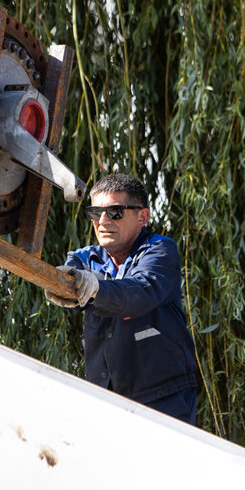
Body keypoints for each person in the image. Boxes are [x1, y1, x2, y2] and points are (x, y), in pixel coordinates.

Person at [45, 173, 198, 425]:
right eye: (96, 213)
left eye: (114, 212)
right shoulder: (82, 259)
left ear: (142, 217)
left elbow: (139, 291)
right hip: (105, 399)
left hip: (163, 400)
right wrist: (60, 285)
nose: (102, 221)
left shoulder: (160, 251)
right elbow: (71, 286)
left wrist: (95, 288)